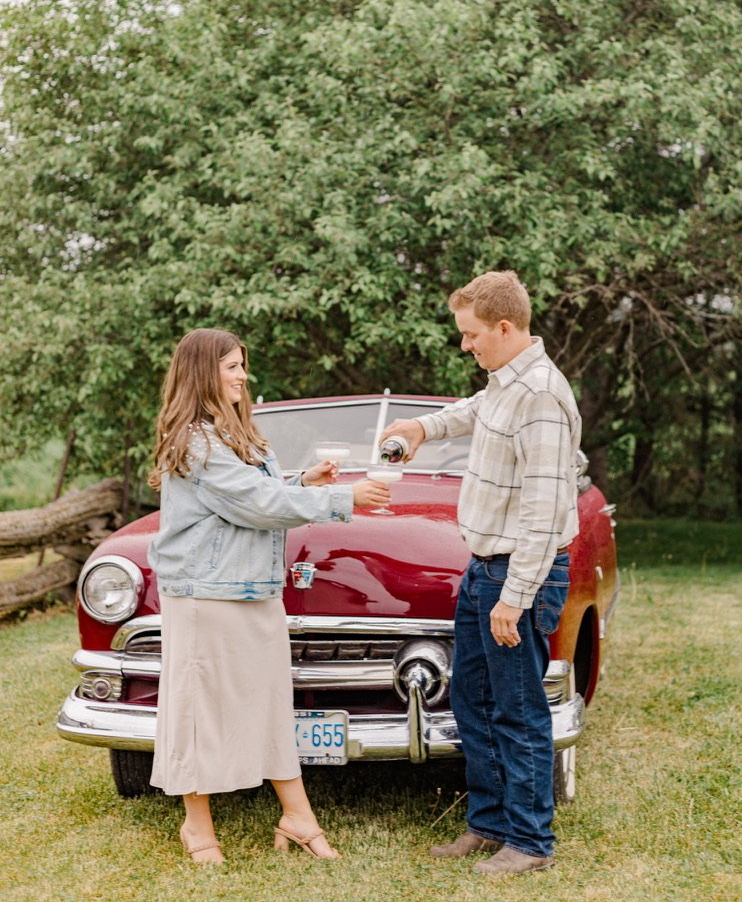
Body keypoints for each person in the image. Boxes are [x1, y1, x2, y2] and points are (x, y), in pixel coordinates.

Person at [147, 328, 390, 863]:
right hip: (205, 595)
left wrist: (301, 480)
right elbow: (253, 503)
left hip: (251, 589)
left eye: (241, 366)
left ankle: (297, 816)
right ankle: (197, 826)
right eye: (232, 366)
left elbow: (254, 490)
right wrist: (340, 496)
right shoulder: (194, 440)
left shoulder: (229, 433)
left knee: (269, 704)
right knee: (199, 711)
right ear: (203, 372)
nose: (242, 375)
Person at [380, 270, 580, 877]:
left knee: (516, 707)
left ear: (503, 326)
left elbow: (545, 514)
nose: (465, 345)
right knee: (473, 695)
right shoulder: (505, 382)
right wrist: (420, 427)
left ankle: (529, 842)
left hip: (520, 573)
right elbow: (472, 411)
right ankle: (489, 823)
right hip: (485, 566)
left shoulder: (542, 395)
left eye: (470, 335)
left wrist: (514, 598)